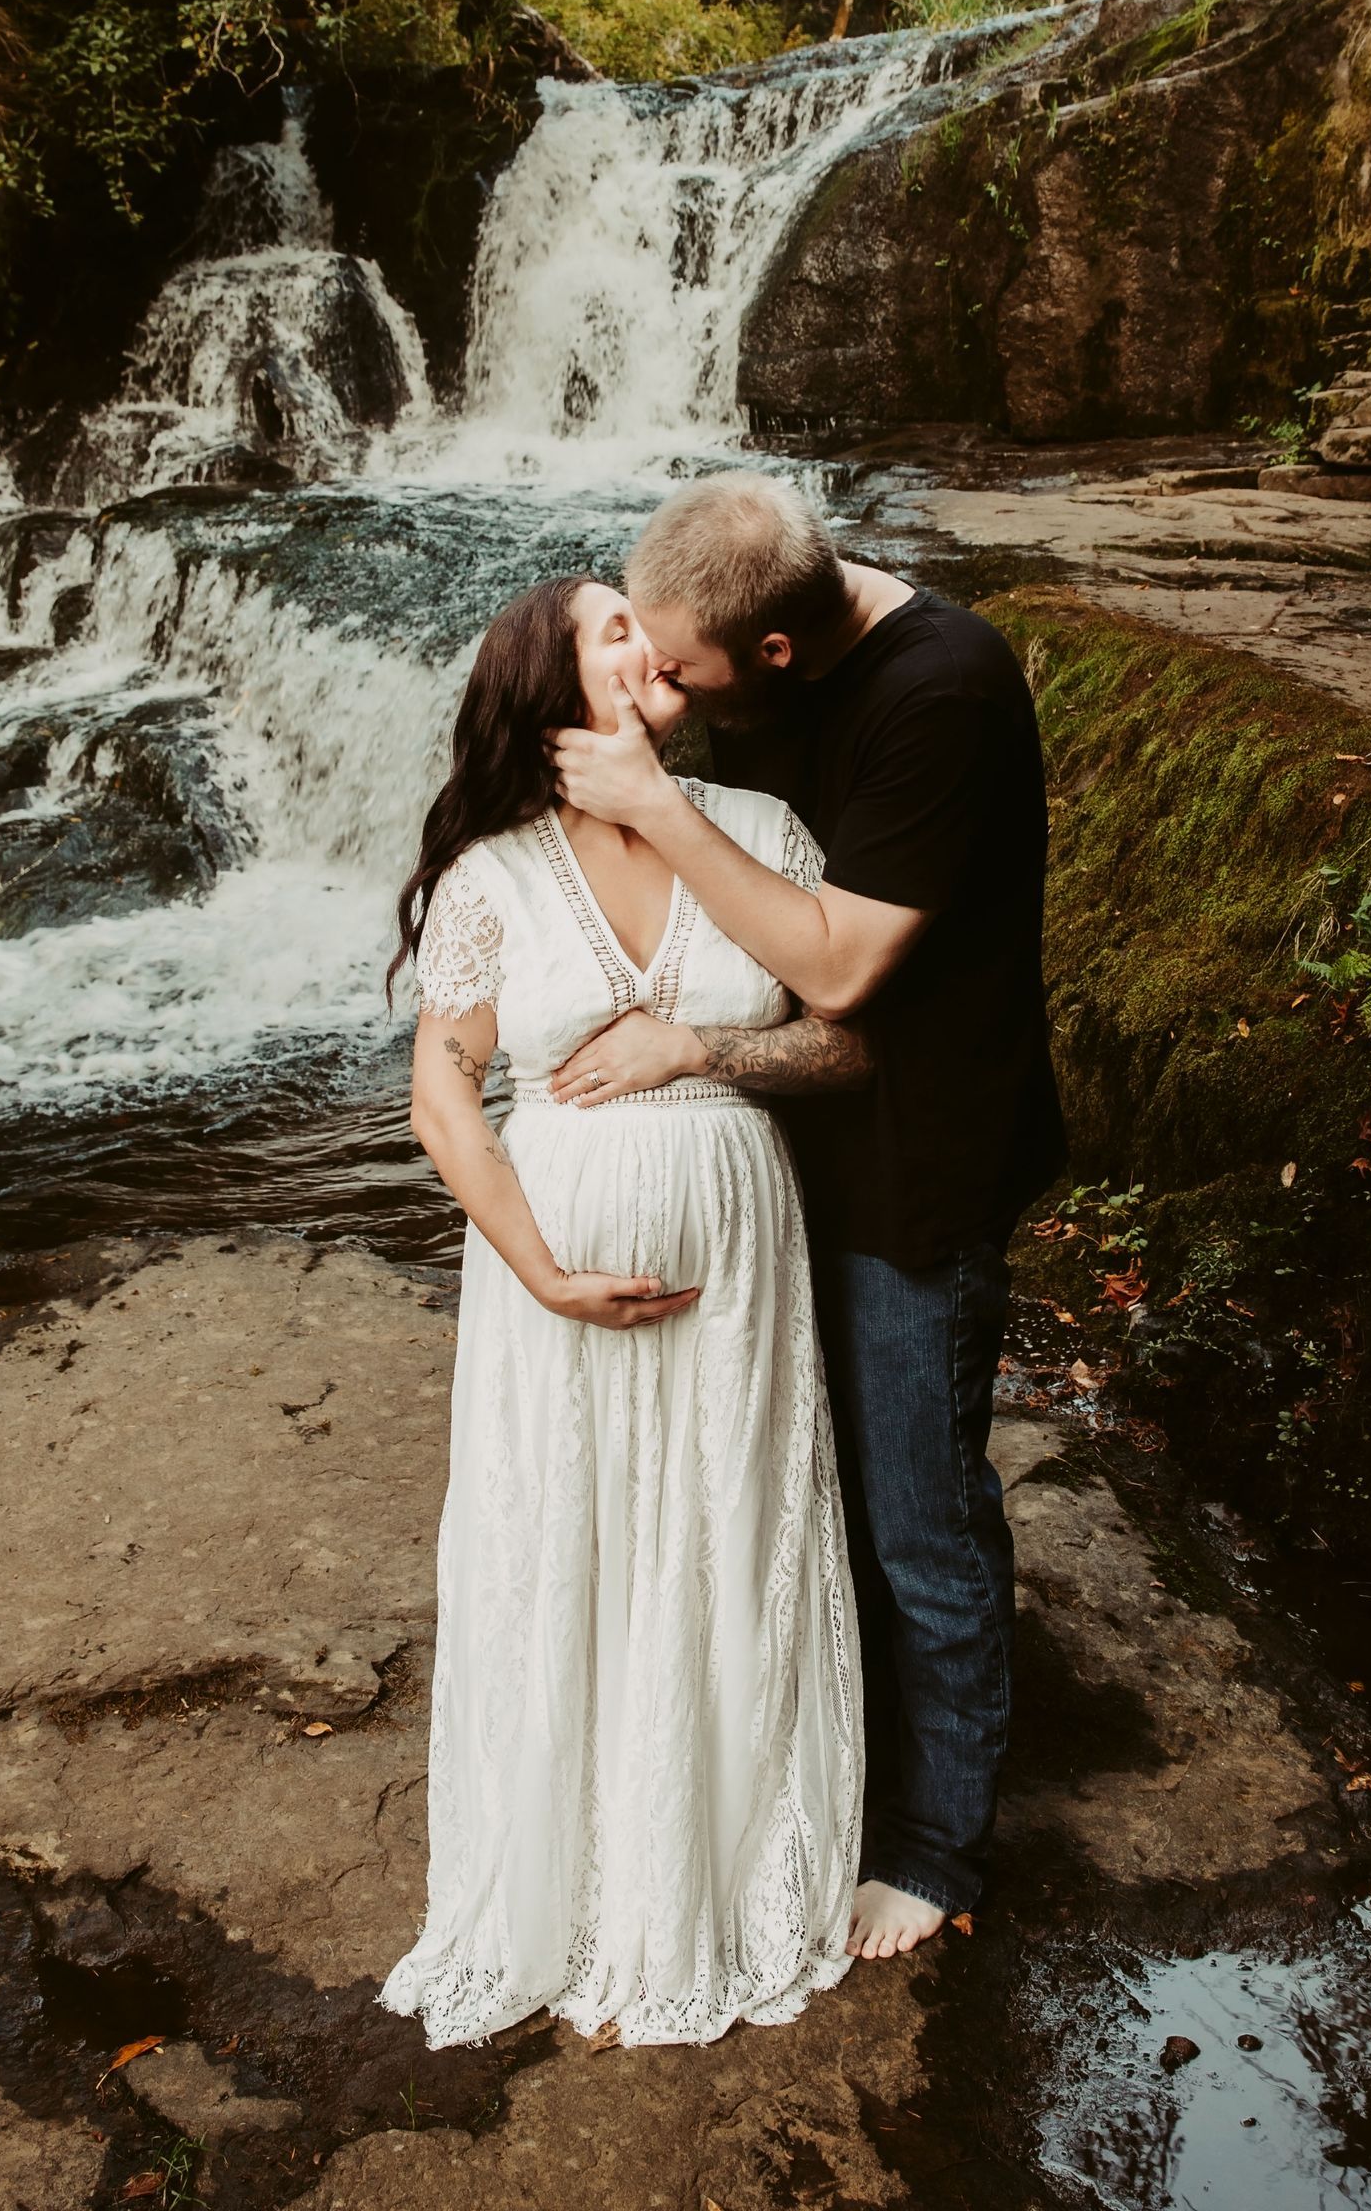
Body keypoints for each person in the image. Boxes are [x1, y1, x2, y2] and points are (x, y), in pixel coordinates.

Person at [548, 474, 1065, 1962]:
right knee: (803, 1499)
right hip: (783, 1155)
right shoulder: (746, 636)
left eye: (686, 671)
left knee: (918, 1522)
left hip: (918, 1161)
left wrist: (651, 801)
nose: (668, 683)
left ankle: (934, 1847)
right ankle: (826, 1781)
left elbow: (840, 969)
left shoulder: (943, 691)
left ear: (772, 654)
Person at [380, 574, 871, 2050]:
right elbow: (442, 1094)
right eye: (611, 625)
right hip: (554, 1288)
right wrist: (538, 1268)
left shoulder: (765, 831)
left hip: (739, 1265)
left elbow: (848, 1046)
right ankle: (571, 1884)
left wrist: (696, 1049)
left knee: (729, 1531)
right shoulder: (493, 879)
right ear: (552, 689)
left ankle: (716, 1877)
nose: (649, 633)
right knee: (570, 1544)